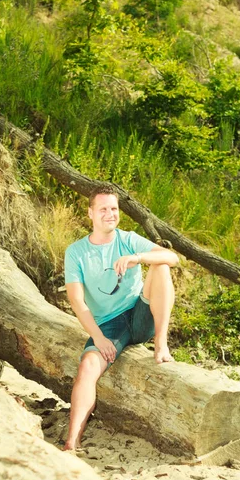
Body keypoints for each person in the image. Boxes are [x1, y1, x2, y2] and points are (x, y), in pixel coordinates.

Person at [63, 184, 179, 451]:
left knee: (160, 266)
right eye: (103, 209)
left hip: (140, 313)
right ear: (90, 213)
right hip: (109, 325)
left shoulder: (127, 239)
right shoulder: (76, 252)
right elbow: (77, 302)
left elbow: (172, 257)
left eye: (114, 208)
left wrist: (137, 258)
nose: (110, 214)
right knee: (87, 368)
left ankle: (161, 344)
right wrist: (99, 337)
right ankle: (72, 441)